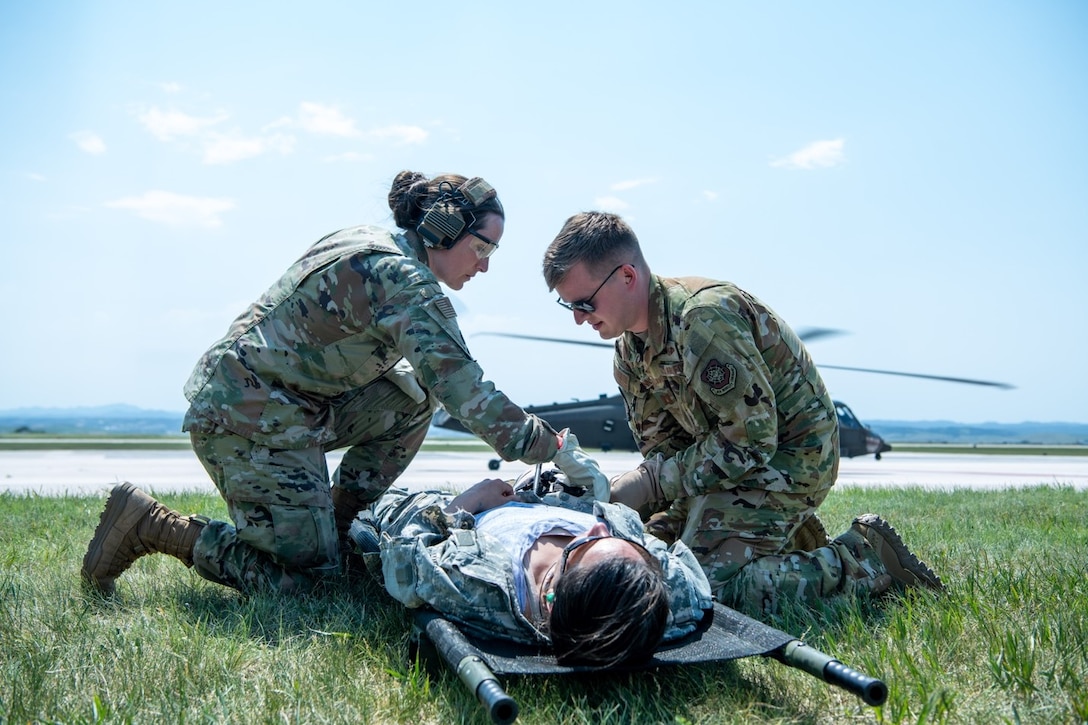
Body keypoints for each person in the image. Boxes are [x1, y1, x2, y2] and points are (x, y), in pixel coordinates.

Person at [82, 171, 590, 597]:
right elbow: (465, 388)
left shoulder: (373, 244)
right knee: (312, 585)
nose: (484, 264)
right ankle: (151, 524)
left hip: (287, 406)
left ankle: (339, 523)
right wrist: (550, 445)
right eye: (482, 247)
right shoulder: (405, 283)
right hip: (245, 420)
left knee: (415, 394)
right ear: (443, 228)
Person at [541, 211, 944, 617]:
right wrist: (623, 506)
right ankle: (780, 541)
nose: (578, 317)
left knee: (700, 588)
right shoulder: (629, 352)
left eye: (585, 302)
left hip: (790, 459)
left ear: (627, 276)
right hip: (722, 468)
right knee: (644, 557)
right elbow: (667, 449)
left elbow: (752, 442)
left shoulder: (702, 319)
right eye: (568, 306)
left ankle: (863, 560)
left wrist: (649, 483)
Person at [352, 471, 712, 667]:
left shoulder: (476, 583)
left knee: (384, 495)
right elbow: (688, 579)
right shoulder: (671, 599)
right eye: (618, 542)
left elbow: (407, 550)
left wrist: (466, 502)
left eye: (583, 545)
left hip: (477, 510)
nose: (599, 528)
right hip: (543, 494)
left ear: (553, 594)